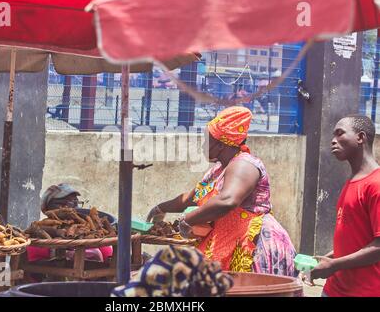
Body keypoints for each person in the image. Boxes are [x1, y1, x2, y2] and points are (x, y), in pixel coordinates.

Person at [147, 106, 297, 276]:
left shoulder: (245, 164)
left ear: (220, 144)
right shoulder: (217, 170)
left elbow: (228, 200)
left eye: (207, 140)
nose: (203, 144)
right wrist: (161, 208)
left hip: (252, 245)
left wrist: (188, 219)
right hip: (225, 240)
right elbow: (190, 198)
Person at [311, 115, 380, 297]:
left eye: (340, 134)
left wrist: (334, 265)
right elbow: (358, 239)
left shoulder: (376, 184)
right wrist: (330, 258)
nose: (333, 141)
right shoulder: (352, 181)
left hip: (363, 292)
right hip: (334, 289)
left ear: (360, 137)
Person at [26, 184, 113, 263]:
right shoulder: (37, 242)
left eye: (75, 202)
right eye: (61, 203)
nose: (67, 207)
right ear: (47, 208)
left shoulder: (96, 235)